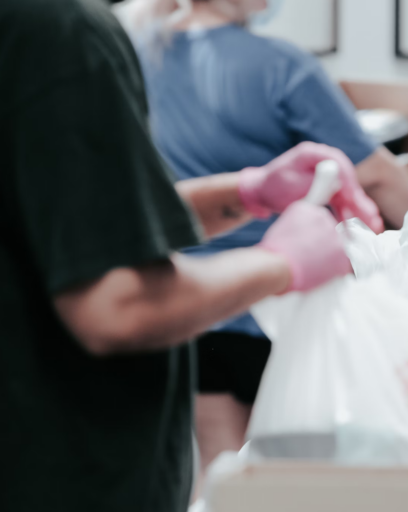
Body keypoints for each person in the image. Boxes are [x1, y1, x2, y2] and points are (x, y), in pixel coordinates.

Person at [0, 0, 381, 510]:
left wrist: (248, 193)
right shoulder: (60, 31)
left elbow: (83, 218)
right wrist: (283, 262)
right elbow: (117, 305)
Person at [114, 0, 408, 475]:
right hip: (272, 304)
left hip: (190, 299)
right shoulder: (281, 65)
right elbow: (377, 176)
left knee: (218, 467)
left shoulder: (139, 53)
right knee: (284, 475)